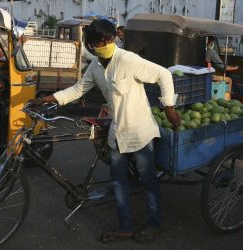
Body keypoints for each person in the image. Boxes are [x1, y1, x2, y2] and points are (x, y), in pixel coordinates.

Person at [29, 19, 180, 243]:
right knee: (118, 181)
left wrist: (168, 107)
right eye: (101, 41)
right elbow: (78, 89)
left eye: (110, 39)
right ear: (91, 45)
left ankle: (154, 224)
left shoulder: (128, 60)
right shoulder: (95, 66)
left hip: (140, 132)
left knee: (148, 181)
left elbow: (163, 75)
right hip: (117, 133)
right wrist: (45, 99)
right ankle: (126, 226)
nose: (107, 43)